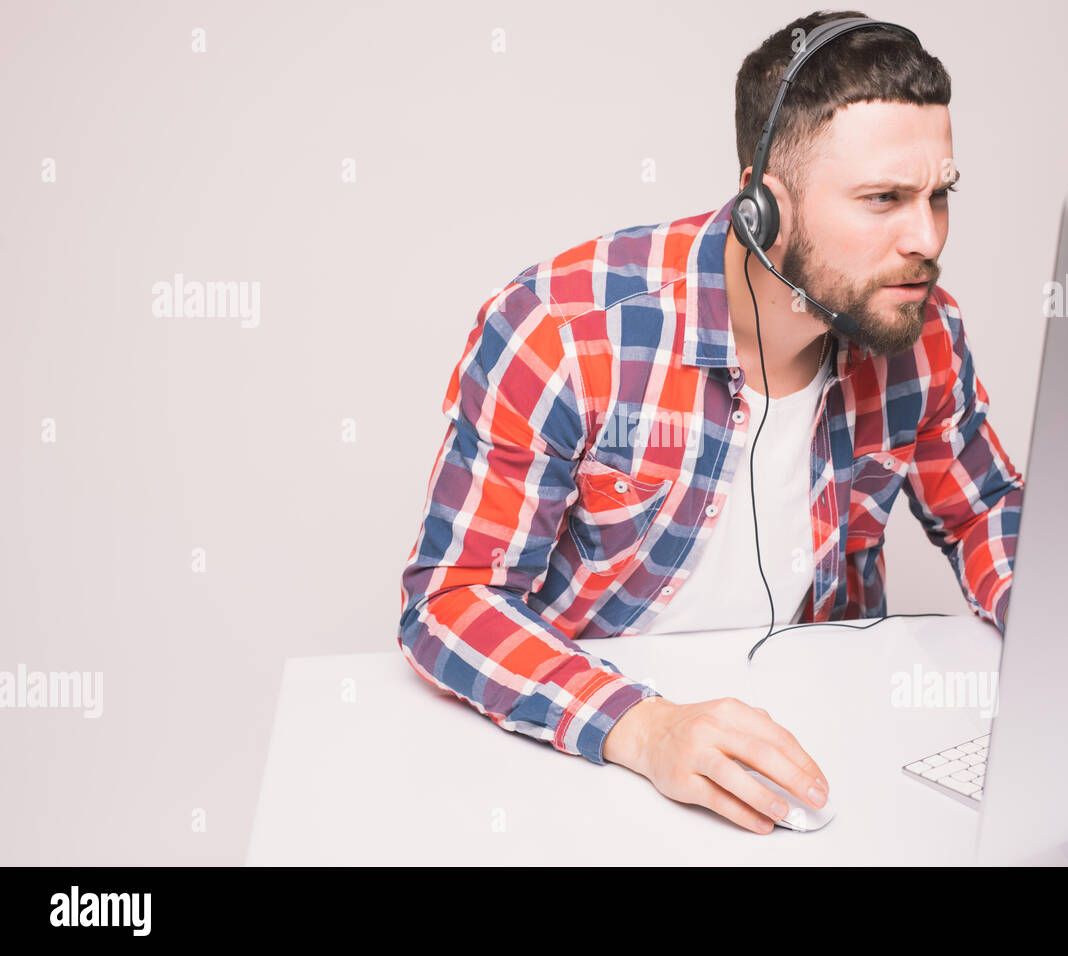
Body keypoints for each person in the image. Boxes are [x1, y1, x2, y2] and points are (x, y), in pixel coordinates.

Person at [397, 9, 1023, 835]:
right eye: (885, 199)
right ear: (765, 210)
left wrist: (1066, 629)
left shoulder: (920, 330)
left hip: (817, 755)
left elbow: (984, 510)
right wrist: (646, 728)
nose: (928, 236)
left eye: (940, 196)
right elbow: (451, 598)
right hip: (592, 757)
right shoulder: (562, 331)